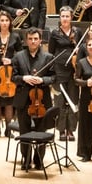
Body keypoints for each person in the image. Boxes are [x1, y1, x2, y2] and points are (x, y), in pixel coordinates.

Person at [11, 27, 55, 169]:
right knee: (24, 131)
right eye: (30, 39)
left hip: (41, 100)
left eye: (36, 38)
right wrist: (24, 77)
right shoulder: (18, 56)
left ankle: (39, 159)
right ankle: (26, 159)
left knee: (41, 130)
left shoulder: (48, 57)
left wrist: (43, 81)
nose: (33, 41)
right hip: (23, 99)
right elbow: (13, 77)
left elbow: (54, 77)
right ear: (26, 40)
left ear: (40, 40)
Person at [49, 6, 83, 142]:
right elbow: (51, 51)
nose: (65, 19)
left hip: (74, 69)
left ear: (71, 18)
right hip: (59, 69)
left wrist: (78, 47)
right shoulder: (54, 33)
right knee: (60, 101)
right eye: (63, 16)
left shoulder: (77, 32)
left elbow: (81, 51)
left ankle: (71, 129)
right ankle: (61, 130)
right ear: (60, 17)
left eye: (67, 16)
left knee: (73, 100)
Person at [0, 10, 22, 138]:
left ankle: (8, 130)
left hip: (10, 72)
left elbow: (21, 55)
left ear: (10, 22)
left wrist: (11, 60)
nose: (4, 23)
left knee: (9, 103)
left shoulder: (15, 37)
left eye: (6, 20)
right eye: (2, 20)